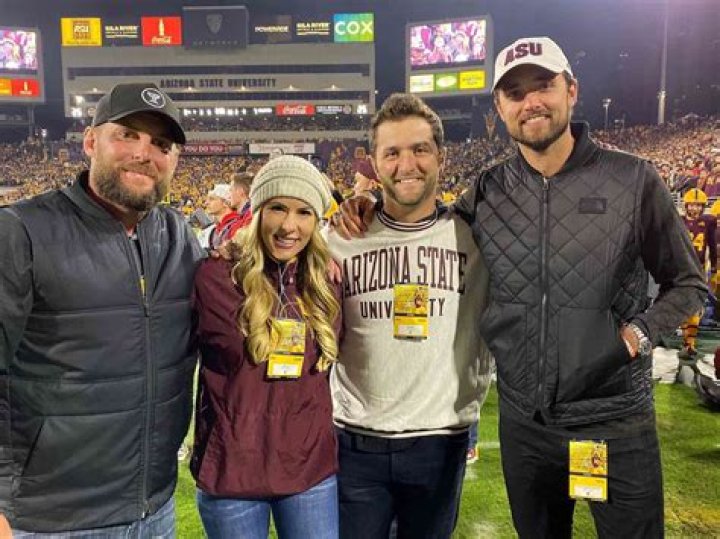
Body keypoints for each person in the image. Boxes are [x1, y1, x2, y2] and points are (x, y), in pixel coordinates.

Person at [336, 37, 706, 538]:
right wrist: (364, 205)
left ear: (571, 91)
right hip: (526, 425)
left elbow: (688, 283)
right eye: (515, 92)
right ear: (500, 108)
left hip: (612, 419)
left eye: (543, 85)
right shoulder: (487, 191)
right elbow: (424, 220)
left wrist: (635, 336)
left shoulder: (633, 179)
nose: (530, 101)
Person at [0, 82, 204, 535]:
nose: (144, 153)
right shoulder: (21, 231)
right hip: (52, 518)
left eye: (161, 144)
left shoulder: (179, 237)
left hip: (154, 509)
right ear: (90, 141)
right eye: (127, 135)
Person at [329, 93, 492, 539]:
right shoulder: (338, 237)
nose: (407, 164)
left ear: (441, 156)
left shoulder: (477, 236)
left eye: (420, 149)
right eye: (392, 153)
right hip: (355, 439)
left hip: (441, 438)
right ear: (374, 163)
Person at [191, 155, 342, 539]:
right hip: (232, 472)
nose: (289, 225)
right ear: (256, 211)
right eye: (277, 208)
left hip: (308, 471)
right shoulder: (213, 277)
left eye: (304, 212)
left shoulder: (327, 283)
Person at [679, 188, 716, 359]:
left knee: (695, 307)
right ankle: (686, 340)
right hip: (680, 269)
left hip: (698, 269)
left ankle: (690, 343)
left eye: (699, 205)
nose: (695, 208)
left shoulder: (708, 222)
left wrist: (714, 268)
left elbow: (712, 246)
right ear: (686, 205)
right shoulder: (678, 221)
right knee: (682, 306)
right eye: (692, 205)